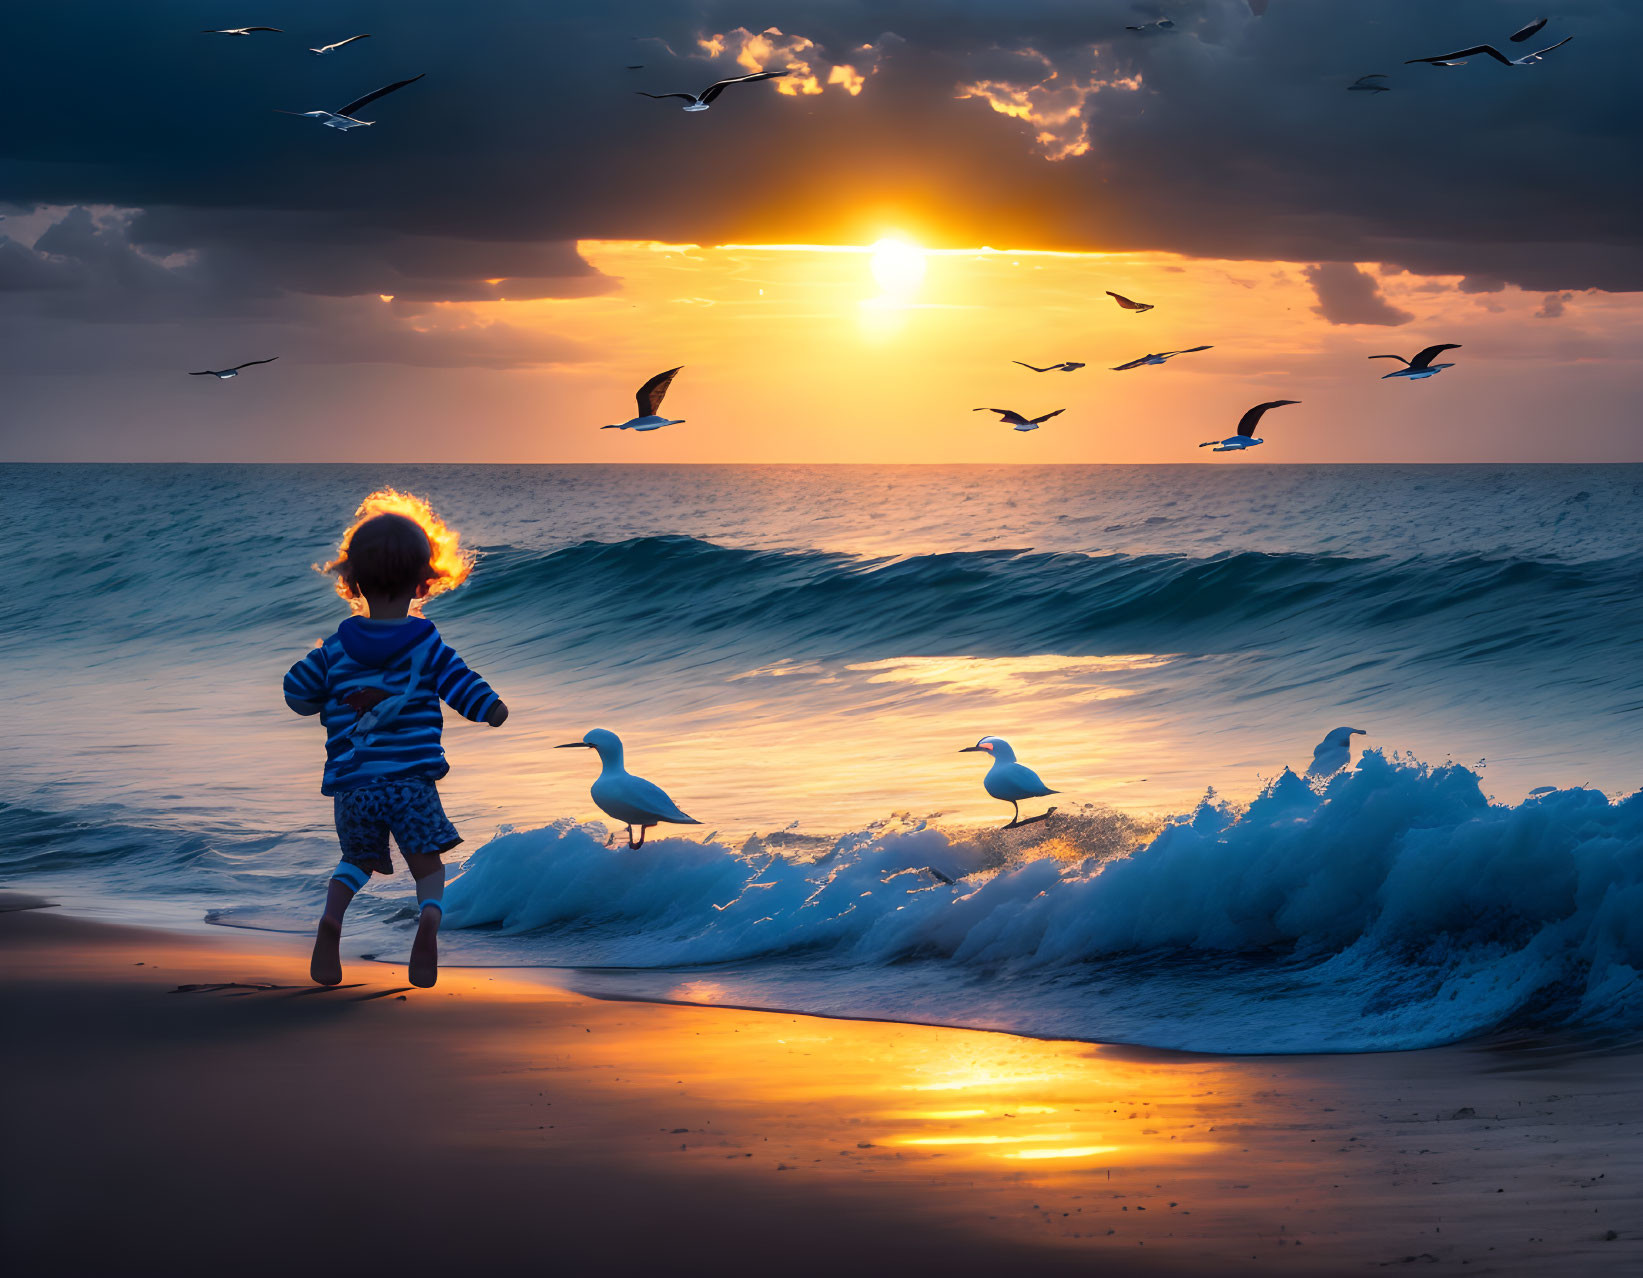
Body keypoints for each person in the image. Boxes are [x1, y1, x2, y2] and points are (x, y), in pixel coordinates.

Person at [284, 497, 507, 988]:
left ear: (352, 582)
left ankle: (332, 919)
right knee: (427, 866)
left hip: (354, 786)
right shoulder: (427, 645)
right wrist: (491, 710)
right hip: (410, 783)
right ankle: (428, 923)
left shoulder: (334, 648)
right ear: (425, 582)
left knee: (356, 860)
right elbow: (462, 685)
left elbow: (295, 694)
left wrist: (323, 690)